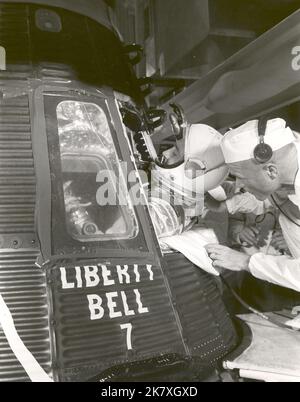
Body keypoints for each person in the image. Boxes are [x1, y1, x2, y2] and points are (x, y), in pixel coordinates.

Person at [205, 118, 300, 293]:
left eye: (241, 177)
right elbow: (248, 201)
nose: (239, 185)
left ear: (271, 171)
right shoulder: (284, 176)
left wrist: (245, 262)